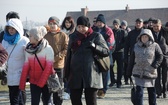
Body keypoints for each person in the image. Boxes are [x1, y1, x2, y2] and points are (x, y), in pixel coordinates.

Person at [64, 15, 110, 105]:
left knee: (91, 101)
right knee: (75, 100)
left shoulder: (96, 36)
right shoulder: (73, 37)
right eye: (79, 27)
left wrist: (95, 46)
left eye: (83, 26)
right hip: (75, 73)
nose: (81, 29)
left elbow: (106, 51)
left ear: (88, 26)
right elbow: (68, 55)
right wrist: (66, 73)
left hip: (91, 73)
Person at [127, 29, 163, 105]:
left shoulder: (155, 45)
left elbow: (160, 56)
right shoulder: (136, 46)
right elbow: (132, 59)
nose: (144, 38)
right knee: (139, 92)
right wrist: (128, 71)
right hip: (138, 72)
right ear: (140, 37)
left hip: (150, 72)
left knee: (152, 92)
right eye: (142, 37)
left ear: (150, 37)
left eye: (146, 37)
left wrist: (155, 65)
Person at [19, 26, 54, 105]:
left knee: (47, 102)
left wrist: (41, 82)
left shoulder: (48, 49)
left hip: (46, 82)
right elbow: (26, 66)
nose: (29, 37)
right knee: (34, 102)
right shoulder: (29, 50)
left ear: (37, 37)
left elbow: (48, 68)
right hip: (34, 82)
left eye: (31, 36)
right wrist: (22, 83)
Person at [2, 18, 29, 105]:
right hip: (9, 73)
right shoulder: (4, 40)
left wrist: (27, 73)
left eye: (13, 28)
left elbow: (28, 58)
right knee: (16, 98)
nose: (11, 30)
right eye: (9, 28)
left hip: (20, 73)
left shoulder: (24, 40)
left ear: (18, 28)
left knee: (15, 99)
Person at [44, 16, 69, 105]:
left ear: (57, 24)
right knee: (47, 88)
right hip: (47, 66)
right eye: (50, 24)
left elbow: (66, 49)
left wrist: (57, 57)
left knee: (58, 88)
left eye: (54, 24)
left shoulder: (63, 35)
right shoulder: (45, 35)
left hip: (58, 65)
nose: (52, 26)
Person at [93, 14, 115, 98]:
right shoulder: (93, 30)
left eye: (100, 22)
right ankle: (97, 89)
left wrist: (102, 49)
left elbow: (111, 43)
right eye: (98, 22)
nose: (99, 24)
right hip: (95, 54)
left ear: (104, 23)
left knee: (106, 73)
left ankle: (103, 90)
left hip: (105, 55)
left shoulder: (108, 31)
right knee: (96, 73)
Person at [152, 19, 168, 98]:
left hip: (165, 57)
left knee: (165, 76)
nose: (155, 28)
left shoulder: (165, 32)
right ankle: (158, 92)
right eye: (154, 26)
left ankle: (165, 91)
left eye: (157, 26)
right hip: (155, 57)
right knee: (156, 76)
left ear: (160, 25)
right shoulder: (150, 33)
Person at [110, 19, 127, 88]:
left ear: (119, 25)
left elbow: (125, 42)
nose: (115, 26)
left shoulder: (123, 32)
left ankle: (119, 82)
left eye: (116, 24)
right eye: (114, 24)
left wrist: (119, 46)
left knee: (120, 68)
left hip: (120, 52)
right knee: (110, 66)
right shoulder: (111, 32)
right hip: (113, 52)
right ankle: (113, 80)